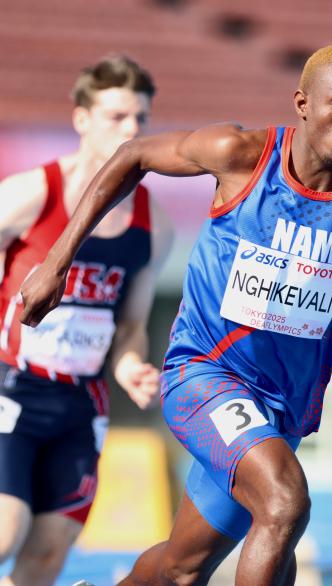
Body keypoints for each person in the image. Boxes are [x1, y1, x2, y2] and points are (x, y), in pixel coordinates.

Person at [20, 44, 332, 586]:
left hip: (281, 409)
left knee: (183, 567)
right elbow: (131, 155)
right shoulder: (241, 154)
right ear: (303, 104)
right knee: (285, 501)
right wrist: (57, 262)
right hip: (205, 376)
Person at [0, 55, 173, 586]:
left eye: (141, 119)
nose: (132, 130)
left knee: (49, 553)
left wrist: (129, 367)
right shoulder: (31, 194)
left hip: (81, 405)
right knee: (6, 530)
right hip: (12, 390)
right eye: (117, 117)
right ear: (81, 119)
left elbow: (129, 328)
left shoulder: (152, 225)